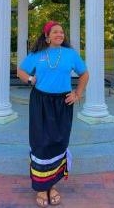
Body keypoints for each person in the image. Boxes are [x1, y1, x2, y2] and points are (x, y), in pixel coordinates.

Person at [17, 21, 89, 207]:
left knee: (58, 142)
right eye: (55, 32)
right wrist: (31, 79)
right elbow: (21, 71)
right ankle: (41, 188)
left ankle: (52, 186)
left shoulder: (71, 54)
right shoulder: (37, 55)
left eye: (62, 32)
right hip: (41, 102)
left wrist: (77, 94)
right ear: (47, 36)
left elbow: (84, 74)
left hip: (63, 102)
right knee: (41, 142)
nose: (60, 34)